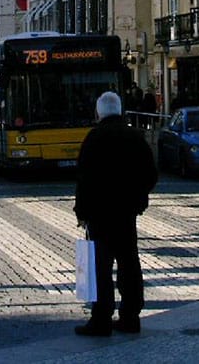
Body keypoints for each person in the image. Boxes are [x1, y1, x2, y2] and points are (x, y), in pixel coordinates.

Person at [72, 91, 158, 337]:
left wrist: (82, 211)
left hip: (100, 214)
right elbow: (150, 174)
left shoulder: (94, 138)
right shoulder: (135, 136)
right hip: (126, 212)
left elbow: (84, 179)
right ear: (120, 110)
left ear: (98, 112)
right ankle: (131, 317)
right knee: (129, 263)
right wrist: (138, 198)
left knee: (100, 267)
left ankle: (101, 319)